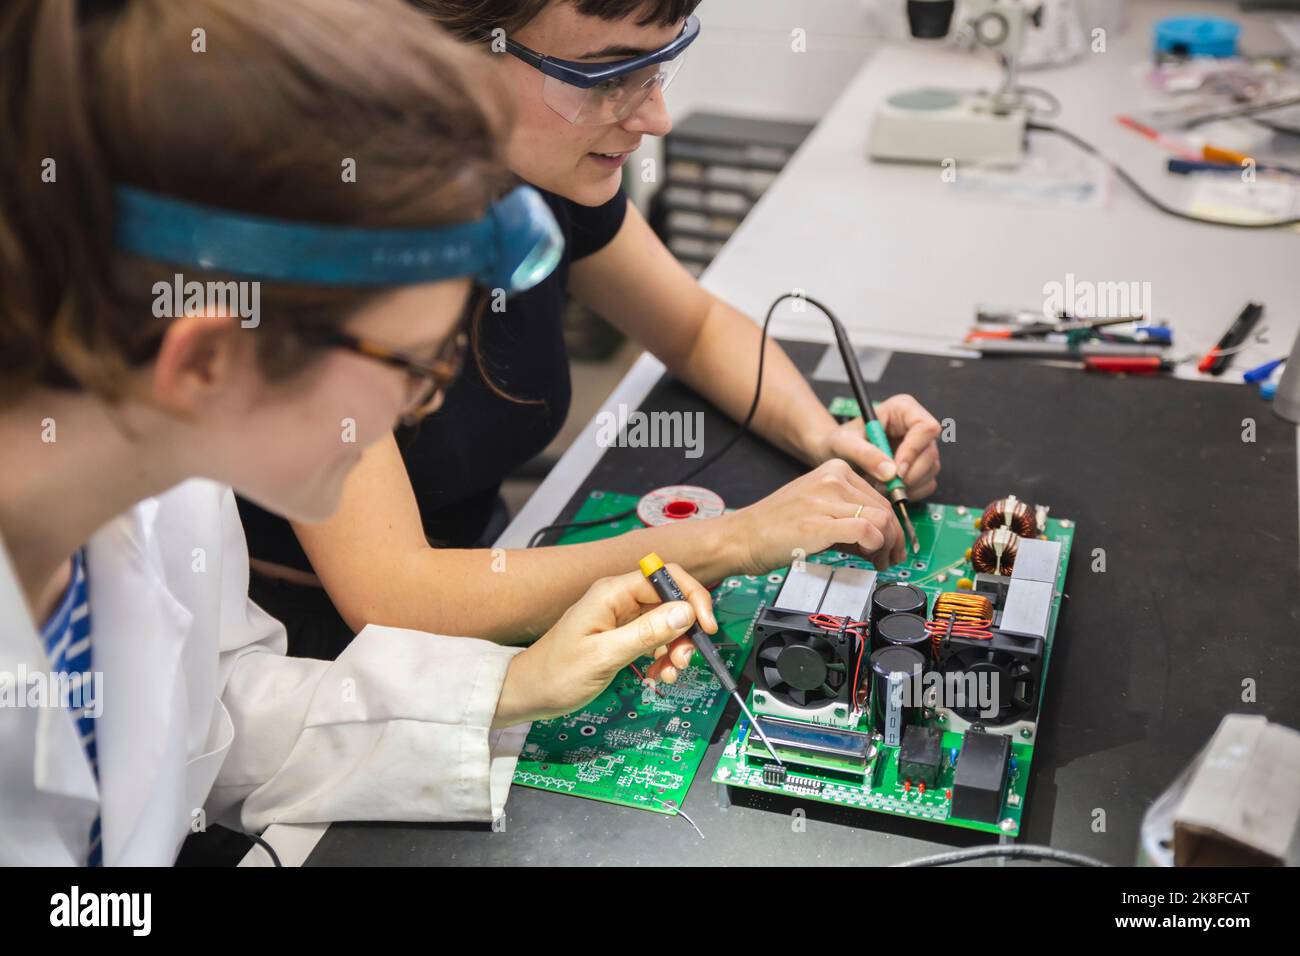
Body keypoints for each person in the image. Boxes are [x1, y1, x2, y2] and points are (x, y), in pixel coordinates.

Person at [0, 0, 712, 866]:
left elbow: (215, 713)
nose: (414, 413)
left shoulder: (172, 490)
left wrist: (515, 686)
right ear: (205, 362)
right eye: (412, 369)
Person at [238, 0, 945, 658]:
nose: (657, 117)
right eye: (609, 77)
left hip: (492, 557)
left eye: (660, 65)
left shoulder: (532, 163)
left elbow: (692, 326)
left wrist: (825, 434)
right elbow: (394, 596)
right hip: (316, 658)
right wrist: (735, 538)